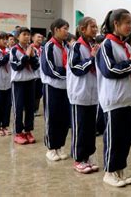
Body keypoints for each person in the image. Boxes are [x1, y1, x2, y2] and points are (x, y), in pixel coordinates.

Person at [96, 8, 131, 187]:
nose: (130, 26)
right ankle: (109, 172)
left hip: (128, 98)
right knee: (114, 138)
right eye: (127, 23)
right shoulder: (106, 46)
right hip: (114, 99)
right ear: (116, 24)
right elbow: (110, 70)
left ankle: (119, 171)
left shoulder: (125, 45)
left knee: (124, 139)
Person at [67, 16, 100, 173]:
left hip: (92, 94)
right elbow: (76, 68)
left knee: (89, 128)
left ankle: (87, 156)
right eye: (92, 26)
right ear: (82, 29)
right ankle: (78, 159)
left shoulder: (93, 45)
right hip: (79, 93)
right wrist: (92, 58)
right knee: (80, 128)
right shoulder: (76, 46)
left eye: (96, 26)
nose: (95, 29)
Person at [41, 19, 71, 160]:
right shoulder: (49, 46)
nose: (67, 31)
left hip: (66, 87)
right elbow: (49, 69)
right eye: (65, 28)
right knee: (52, 117)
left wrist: (70, 74)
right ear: (56, 29)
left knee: (64, 118)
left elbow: (71, 64)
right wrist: (68, 74)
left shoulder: (67, 46)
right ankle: (51, 148)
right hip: (52, 87)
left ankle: (60, 146)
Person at [10, 27, 40, 144]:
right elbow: (16, 66)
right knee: (18, 107)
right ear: (18, 37)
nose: (27, 37)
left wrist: (31, 56)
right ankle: (18, 132)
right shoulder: (13, 50)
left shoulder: (33, 49)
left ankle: (28, 130)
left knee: (30, 108)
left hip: (30, 81)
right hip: (18, 82)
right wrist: (26, 56)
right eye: (24, 34)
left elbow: (36, 66)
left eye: (28, 35)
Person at [31, 32, 44, 116]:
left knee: (39, 93)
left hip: (41, 75)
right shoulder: (30, 48)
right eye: (38, 37)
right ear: (33, 38)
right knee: (32, 93)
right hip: (32, 75)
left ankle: (35, 109)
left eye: (41, 37)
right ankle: (30, 109)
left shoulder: (43, 49)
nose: (40, 39)